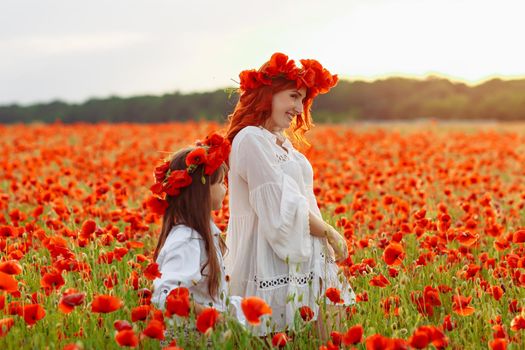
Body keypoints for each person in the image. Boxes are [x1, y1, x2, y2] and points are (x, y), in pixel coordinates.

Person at [224, 52, 356, 337]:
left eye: (303, 99)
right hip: (269, 258)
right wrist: (330, 233)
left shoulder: (280, 142)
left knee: (330, 338)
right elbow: (281, 208)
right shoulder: (250, 139)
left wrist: (323, 239)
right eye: (293, 96)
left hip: (305, 252)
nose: (299, 107)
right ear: (268, 95)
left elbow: (298, 201)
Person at [149, 133, 246, 329]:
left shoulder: (199, 234)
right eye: (220, 183)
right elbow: (166, 295)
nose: (225, 189)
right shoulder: (187, 239)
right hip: (193, 339)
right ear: (201, 191)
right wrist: (214, 318)